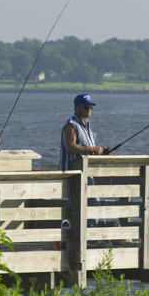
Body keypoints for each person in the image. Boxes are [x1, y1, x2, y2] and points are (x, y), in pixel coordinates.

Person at [59, 93, 116, 232]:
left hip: (87, 173)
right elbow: (71, 146)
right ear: (77, 107)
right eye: (86, 107)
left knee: (93, 204)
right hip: (73, 174)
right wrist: (93, 149)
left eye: (91, 107)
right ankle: (85, 237)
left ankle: (91, 235)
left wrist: (102, 152)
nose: (89, 109)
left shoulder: (87, 125)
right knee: (79, 206)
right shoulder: (71, 124)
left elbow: (88, 149)